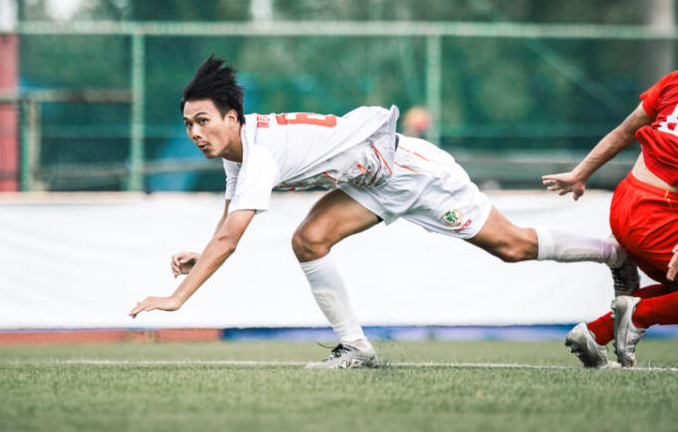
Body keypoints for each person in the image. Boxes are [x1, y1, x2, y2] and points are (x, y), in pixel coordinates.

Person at [129, 55, 636, 369]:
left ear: (232, 118)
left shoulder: (256, 156)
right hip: (374, 184)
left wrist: (177, 299)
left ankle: (613, 254)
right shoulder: (242, 152)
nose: (195, 133)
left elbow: (231, 238)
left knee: (513, 247)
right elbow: (227, 222)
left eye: (202, 121)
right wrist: (203, 253)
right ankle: (356, 349)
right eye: (188, 124)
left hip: (412, 173)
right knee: (308, 240)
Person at [543, 70, 678, 369]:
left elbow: (625, 130)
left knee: (674, 292)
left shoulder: (675, 81)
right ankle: (639, 316)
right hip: (658, 215)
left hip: (626, 201)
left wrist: (580, 174)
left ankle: (595, 333)